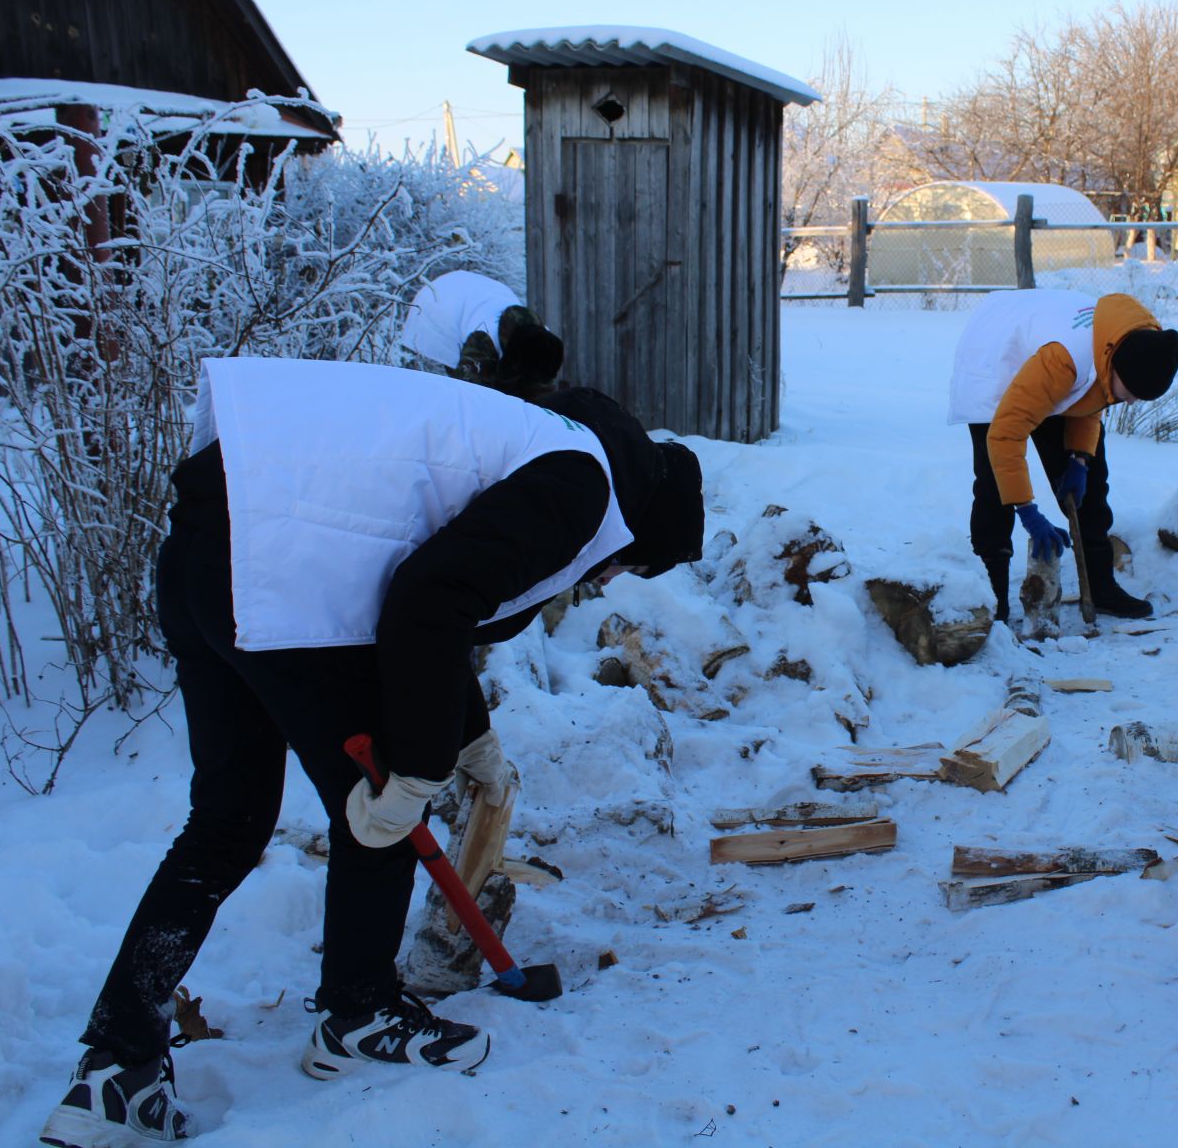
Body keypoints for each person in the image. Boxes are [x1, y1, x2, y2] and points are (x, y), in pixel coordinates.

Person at [39, 359, 703, 1148]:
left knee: (227, 820)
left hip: (209, 545)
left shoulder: (543, 439)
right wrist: (420, 768)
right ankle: (359, 1012)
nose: (609, 575)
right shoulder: (584, 487)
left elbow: (431, 593)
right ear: (642, 524)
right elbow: (429, 599)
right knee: (379, 808)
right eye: (629, 563)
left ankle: (118, 1068)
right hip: (275, 565)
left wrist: (470, 736)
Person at [947, 288, 1178, 622]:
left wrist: (1079, 460)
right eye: (1130, 393)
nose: (1130, 402)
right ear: (1115, 367)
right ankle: (993, 596)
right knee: (994, 487)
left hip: (1054, 361)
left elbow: (1095, 395)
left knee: (1093, 483)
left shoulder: (1132, 342)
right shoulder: (1065, 361)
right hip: (997, 357)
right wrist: (1029, 512)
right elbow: (1005, 435)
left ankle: (1099, 585)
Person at [399, 269, 565, 398]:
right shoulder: (482, 340)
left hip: (480, 294)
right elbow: (472, 399)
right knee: (472, 391)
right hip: (438, 304)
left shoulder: (542, 344)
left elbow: (542, 390)